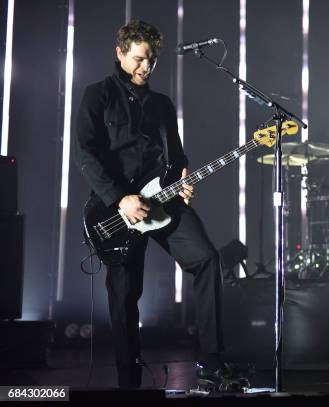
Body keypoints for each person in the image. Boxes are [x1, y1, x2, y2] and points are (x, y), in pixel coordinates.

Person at [76, 20, 235, 390]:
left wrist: (184, 181)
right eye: (138, 59)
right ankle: (128, 383)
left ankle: (212, 362)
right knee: (124, 295)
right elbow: (87, 155)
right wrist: (119, 198)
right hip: (116, 210)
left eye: (151, 61)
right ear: (120, 53)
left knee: (208, 259)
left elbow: (177, 155)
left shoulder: (162, 104)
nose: (145, 67)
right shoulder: (97, 96)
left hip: (162, 200)